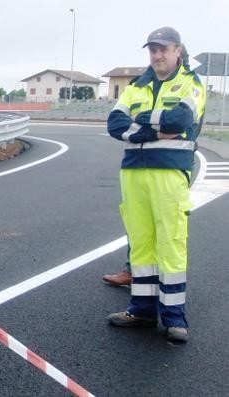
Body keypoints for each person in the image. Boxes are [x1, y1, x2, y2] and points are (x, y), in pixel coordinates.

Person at [105, 26, 206, 343]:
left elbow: (180, 121)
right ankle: (142, 310)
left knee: (170, 244)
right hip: (133, 173)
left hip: (169, 174)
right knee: (142, 246)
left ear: (178, 50)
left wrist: (140, 122)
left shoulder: (191, 84)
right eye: (153, 50)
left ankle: (174, 318)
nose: (158, 55)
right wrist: (153, 130)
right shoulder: (137, 86)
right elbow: (114, 124)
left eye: (164, 49)